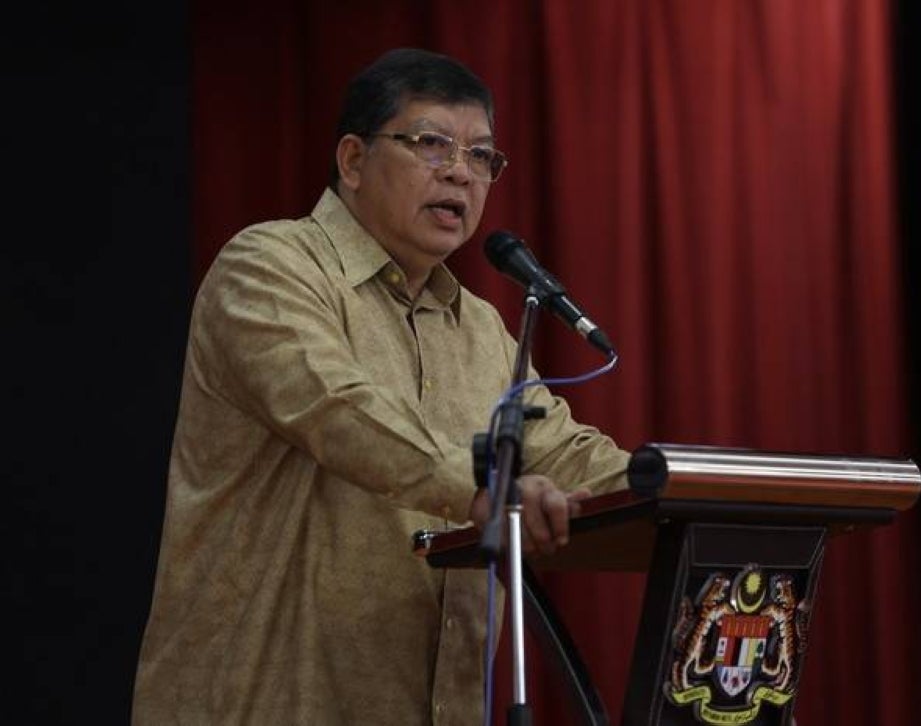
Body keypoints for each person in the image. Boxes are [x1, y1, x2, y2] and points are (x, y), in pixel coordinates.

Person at [132, 47, 630, 725]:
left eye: (482, 156)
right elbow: (335, 406)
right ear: (353, 161)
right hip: (265, 701)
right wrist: (482, 485)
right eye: (431, 143)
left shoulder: (480, 329)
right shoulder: (268, 267)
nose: (460, 170)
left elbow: (566, 453)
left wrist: (684, 493)